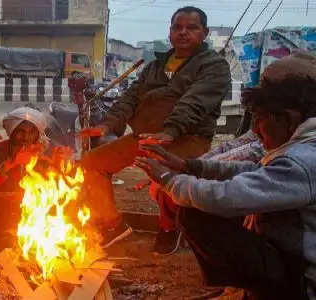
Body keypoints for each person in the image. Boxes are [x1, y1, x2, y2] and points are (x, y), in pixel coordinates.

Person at [134, 52, 316, 299]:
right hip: (291, 255)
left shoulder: (303, 159)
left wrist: (169, 180)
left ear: (288, 117)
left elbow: (228, 196)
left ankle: (267, 291)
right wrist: (189, 166)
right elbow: (256, 172)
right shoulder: (299, 147)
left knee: (198, 211)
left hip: (303, 280)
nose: (255, 131)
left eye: (260, 120)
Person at [78, 6, 231, 251]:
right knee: (91, 164)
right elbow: (131, 97)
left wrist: (170, 131)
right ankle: (114, 226)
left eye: (191, 28)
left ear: (204, 33)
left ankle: (170, 229)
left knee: (165, 178)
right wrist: (108, 125)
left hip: (187, 138)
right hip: (145, 137)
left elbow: (195, 101)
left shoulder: (214, 66)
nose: (183, 33)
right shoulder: (155, 66)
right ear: (170, 32)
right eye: (177, 27)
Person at [0, 107, 64, 254]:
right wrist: (12, 164)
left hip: (28, 214)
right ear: (11, 131)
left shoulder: (42, 153)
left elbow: (53, 188)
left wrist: (58, 164)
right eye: (21, 132)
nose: (26, 138)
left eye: (32, 132)